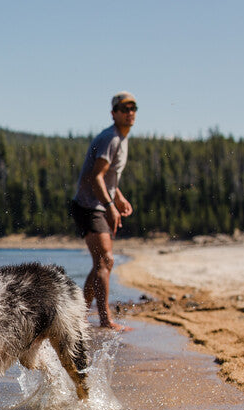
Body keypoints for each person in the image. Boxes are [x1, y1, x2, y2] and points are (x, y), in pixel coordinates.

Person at [71, 91, 136, 330]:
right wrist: (109, 206)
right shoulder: (112, 138)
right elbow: (95, 176)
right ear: (114, 113)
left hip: (96, 204)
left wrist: (118, 198)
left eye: (133, 108)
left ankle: (78, 316)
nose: (130, 113)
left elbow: (108, 179)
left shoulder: (121, 138)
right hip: (89, 206)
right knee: (105, 260)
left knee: (102, 262)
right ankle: (105, 319)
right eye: (124, 109)